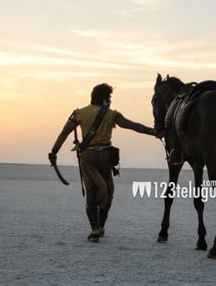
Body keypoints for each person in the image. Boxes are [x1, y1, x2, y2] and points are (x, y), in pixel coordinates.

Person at [49, 83, 157, 242]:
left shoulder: (79, 113)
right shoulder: (112, 114)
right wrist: (153, 132)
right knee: (108, 192)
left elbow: (64, 133)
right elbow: (134, 126)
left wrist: (54, 151)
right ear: (106, 98)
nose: (111, 100)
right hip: (105, 157)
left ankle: (95, 228)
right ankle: (99, 226)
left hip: (86, 157)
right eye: (110, 97)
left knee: (92, 191)